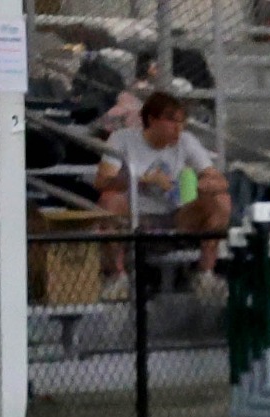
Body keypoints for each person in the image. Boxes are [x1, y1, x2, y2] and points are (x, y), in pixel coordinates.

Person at [95, 91, 231, 298]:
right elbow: (102, 182)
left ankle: (205, 273)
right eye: (172, 121)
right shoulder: (122, 138)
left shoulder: (186, 141)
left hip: (176, 214)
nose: (178, 128)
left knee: (221, 200)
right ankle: (117, 276)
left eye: (182, 122)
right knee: (109, 201)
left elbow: (220, 181)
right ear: (152, 120)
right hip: (134, 214)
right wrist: (141, 180)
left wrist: (199, 185)